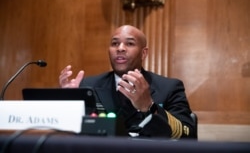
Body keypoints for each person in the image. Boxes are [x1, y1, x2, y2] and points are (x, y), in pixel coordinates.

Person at [59, 25, 197, 139]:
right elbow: (69, 134)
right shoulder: (88, 86)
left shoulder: (169, 87)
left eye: (130, 43)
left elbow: (187, 134)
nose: (120, 48)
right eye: (115, 43)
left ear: (144, 53)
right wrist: (69, 103)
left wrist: (149, 106)